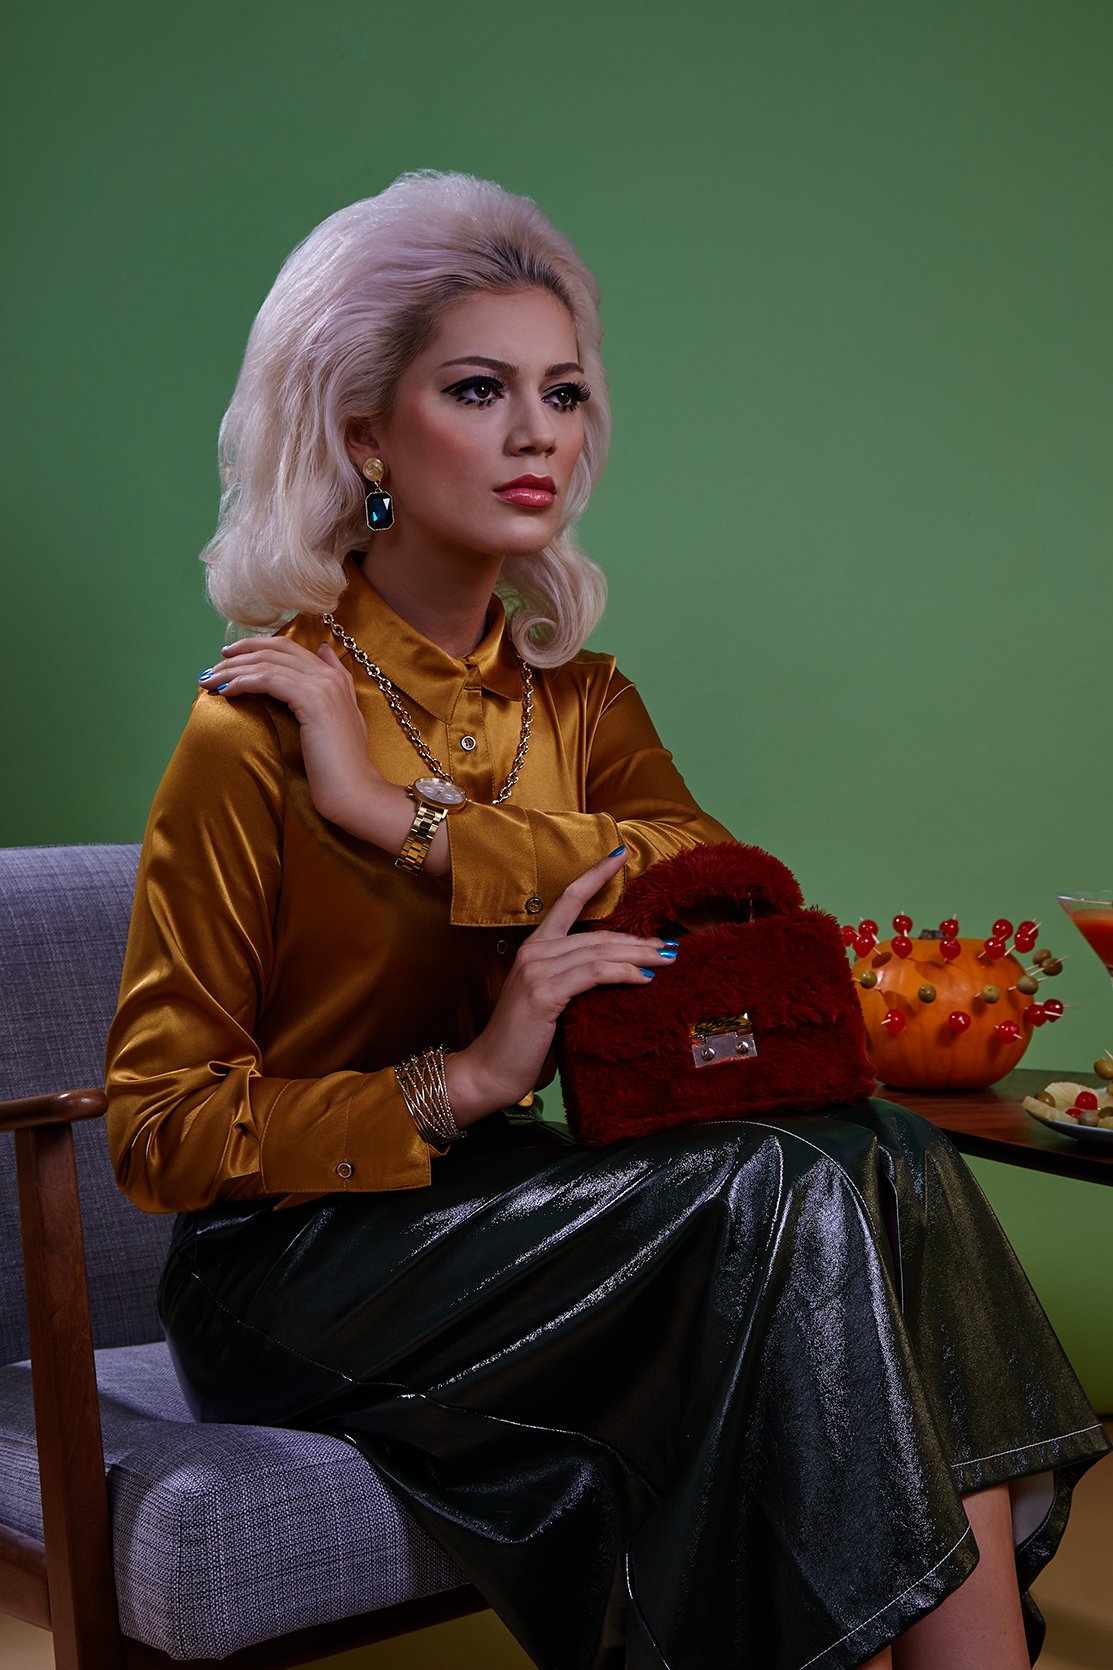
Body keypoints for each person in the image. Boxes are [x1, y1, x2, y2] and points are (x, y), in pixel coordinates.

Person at [105, 170, 1108, 1670]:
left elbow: (707, 876)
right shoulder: (255, 720)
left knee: (887, 1154)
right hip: (297, 1266)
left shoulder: (580, 701)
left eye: (563, 393)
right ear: (365, 433)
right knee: (775, 1191)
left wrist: (398, 816)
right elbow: (158, 1131)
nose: (538, 435)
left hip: (521, 1214)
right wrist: (469, 1079)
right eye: (478, 389)